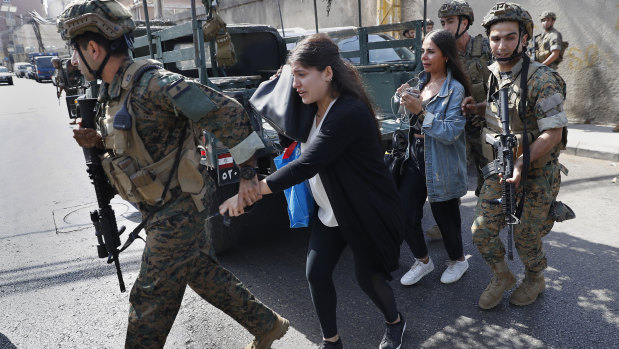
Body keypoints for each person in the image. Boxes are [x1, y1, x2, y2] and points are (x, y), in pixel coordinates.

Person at [57, 1, 289, 348]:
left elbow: (228, 113)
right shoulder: (111, 93)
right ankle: (267, 324)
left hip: (176, 210)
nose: (73, 62)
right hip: (156, 207)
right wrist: (97, 142)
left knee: (148, 304)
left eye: (74, 52)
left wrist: (247, 174)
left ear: (93, 48)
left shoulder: (154, 85)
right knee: (204, 275)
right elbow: (135, 147)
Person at [220, 33, 406, 349]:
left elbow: (306, 165)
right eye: (294, 78)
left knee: (368, 278)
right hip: (330, 209)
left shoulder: (348, 112)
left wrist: (251, 192)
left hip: (363, 210)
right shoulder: (312, 107)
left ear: (328, 73)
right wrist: (285, 78)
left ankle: (396, 322)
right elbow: (272, 106)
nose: (296, 85)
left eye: (302, 76)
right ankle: (331, 341)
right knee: (316, 274)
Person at [462, 2, 568, 310]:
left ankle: (535, 277)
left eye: (510, 37)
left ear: (524, 38)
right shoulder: (494, 73)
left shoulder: (542, 79)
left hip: (536, 167)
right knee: (481, 230)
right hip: (501, 162)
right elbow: (503, 110)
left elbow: (554, 133)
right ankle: (501, 275)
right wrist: (477, 107)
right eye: (496, 38)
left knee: (524, 234)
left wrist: (523, 161)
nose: (502, 45)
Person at [397, 29, 470, 286]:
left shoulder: (455, 90)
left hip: (441, 161)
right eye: (422, 51)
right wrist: (404, 101)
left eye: (431, 51)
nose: (424, 56)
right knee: (405, 213)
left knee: (445, 218)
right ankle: (423, 261)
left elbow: (450, 132)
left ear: (446, 56)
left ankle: (458, 260)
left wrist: (420, 110)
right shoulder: (421, 83)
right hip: (415, 157)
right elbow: (408, 121)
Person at [439, 0, 493, 197]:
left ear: (464, 23)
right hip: (458, 122)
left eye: (450, 21)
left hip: (486, 122)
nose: (445, 27)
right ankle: (448, 226)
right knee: (451, 175)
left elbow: (503, 85)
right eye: (443, 22)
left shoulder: (487, 48)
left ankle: (485, 218)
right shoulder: (445, 55)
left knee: (489, 175)